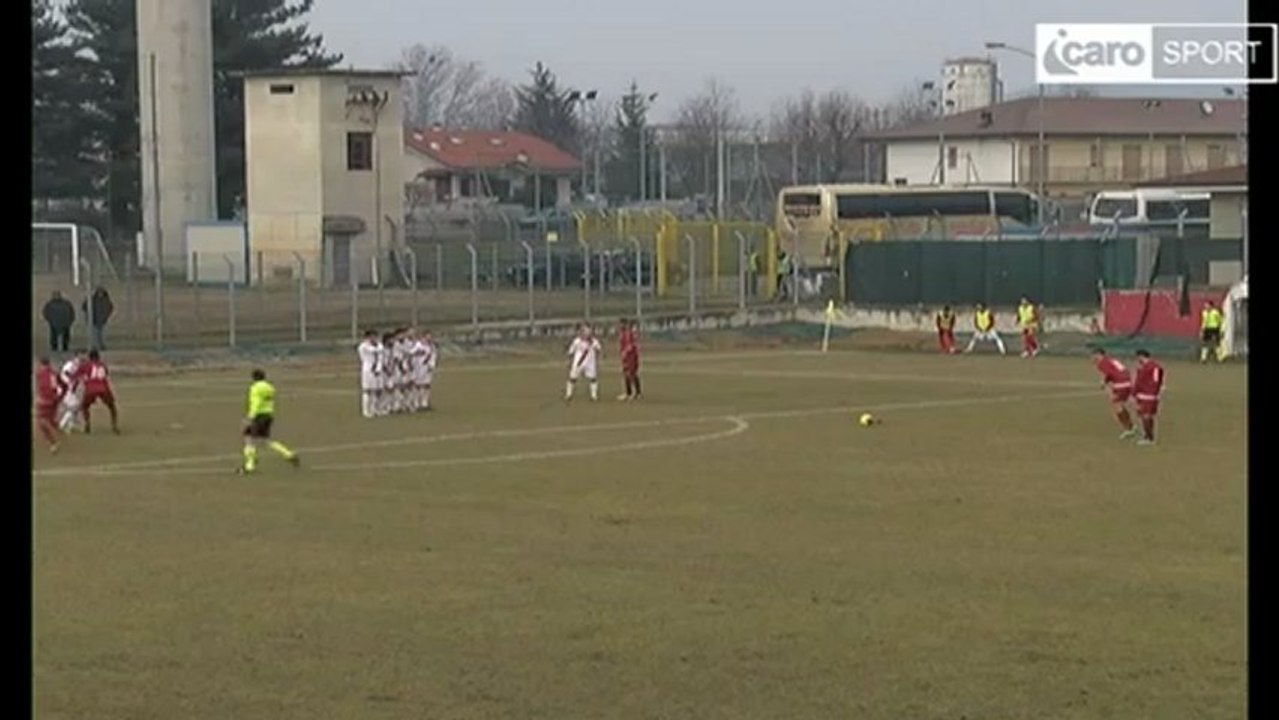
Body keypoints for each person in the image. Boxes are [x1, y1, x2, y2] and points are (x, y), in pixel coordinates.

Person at [239, 369, 300, 474]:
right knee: (265, 441)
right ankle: (288, 454)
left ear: (254, 378)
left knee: (249, 438)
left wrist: (250, 417)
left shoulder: (255, 388)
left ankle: (249, 466)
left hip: (258, 416)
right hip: (268, 415)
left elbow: (256, 403)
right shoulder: (270, 387)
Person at [1091, 347, 1137, 440]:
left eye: (1094, 355)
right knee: (1119, 404)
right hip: (1127, 382)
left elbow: (1107, 374)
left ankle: (1129, 429)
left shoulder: (1102, 363)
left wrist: (1103, 383)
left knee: (1117, 405)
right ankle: (1131, 426)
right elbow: (1121, 371)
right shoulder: (1112, 360)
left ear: (1099, 354)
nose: (1093, 357)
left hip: (1120, 384)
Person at [76, 349, 119, 435]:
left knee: (84, 406)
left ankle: (87, 424)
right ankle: (114, 425)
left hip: (90, 389)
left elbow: (77, 375)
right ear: (98, 357)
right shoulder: (102, 365)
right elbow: (105, 375)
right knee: (112, 407)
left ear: (89, 357)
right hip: (103, 389)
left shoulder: (85, 365)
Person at [1132, 349, 1165, 446]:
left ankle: (1149, 438)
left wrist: (1152, 392)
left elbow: (1155, 381)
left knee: (1145, 416)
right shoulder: (1147, 367)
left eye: (1138, 357)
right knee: (1147, 416)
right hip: (1147, 395)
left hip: (1147, 395)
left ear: (1142, 356)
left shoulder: (1152, 367)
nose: (1138, 359)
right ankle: (1148, 436)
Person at [34, 357, 65, 454]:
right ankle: (59, 430)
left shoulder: (39, 373)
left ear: (41, 364)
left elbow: (42, 386)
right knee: (50, 419)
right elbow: (64, 385)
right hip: (54, 399)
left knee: (41, 422)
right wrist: (60, 396)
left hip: (45, 400)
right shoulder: (54, 373)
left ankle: (54, 443)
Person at [565, 324, 602, 402]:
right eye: (584, 331)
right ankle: (568, 394)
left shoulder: (593, 341)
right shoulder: (576, 341)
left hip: (590, 363)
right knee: (572, 378)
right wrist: (569, 361)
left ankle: (594, 395)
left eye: (588, 331)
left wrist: (598, 358)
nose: (586, 333)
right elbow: (571, 351)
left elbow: (599, 349)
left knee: (593, 379)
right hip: (578, 363)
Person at [58, 350, 87, 433]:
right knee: (74, 407)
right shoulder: (71, 365)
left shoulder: (79, 366)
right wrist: (72, 379)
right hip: (64, 389)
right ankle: (62, 424)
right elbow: (65, 373)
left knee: (75, 407)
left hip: (68, 390)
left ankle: (70, 426)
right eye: (81, 356)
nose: (83, 358)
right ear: (76, 357)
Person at [357, 329, 381, 419]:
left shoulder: (375, 345)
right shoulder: (363, 346)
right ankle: (365, 411)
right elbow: (374, 350)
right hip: (367, 369)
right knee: (367, 390)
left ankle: (373, 409)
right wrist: (377, 346)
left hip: (375, 369)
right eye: (373, 336)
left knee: (374, 390)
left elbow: (379, 350)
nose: (375, 338)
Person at [617, 319, 641, 401]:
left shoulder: (629, 333)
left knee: (632, 374)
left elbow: (632, 345)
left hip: (631, 357)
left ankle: (636, 393)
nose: (620, 326)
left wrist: (625, 351)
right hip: (626, 357)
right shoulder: (622, 334)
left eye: (621, 324)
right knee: (626, 373)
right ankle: (629, 393)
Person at [414, 329, 438, 412]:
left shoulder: (432, 346)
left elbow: (434, 356)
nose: (429, 338)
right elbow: (412, 353)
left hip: (428, 368)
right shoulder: (418, 345)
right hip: (419, 367)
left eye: (430, 336)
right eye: (427, 336)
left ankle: (425, 403)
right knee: (419, 385)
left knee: (427, 385)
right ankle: (418, 403)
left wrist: (432, 365)